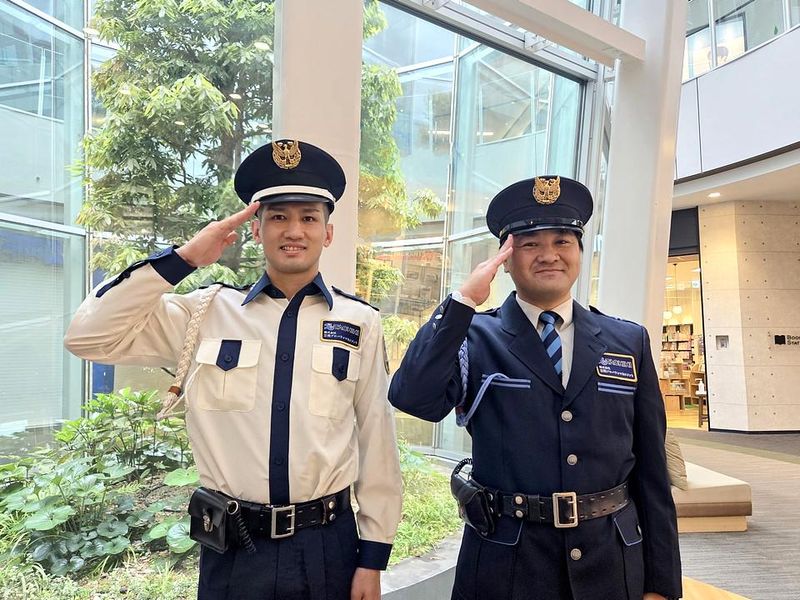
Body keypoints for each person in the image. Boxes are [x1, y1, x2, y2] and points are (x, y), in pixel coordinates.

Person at [65, 139, 402, 600]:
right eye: (278, 217)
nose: (294, 231)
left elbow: (376, 438)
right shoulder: (203, 314)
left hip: (328, 546)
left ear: (327, 233)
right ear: (256, 230)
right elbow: (87, 336)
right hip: (235, 549)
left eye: (309, 218)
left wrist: (373, 557)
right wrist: (184, 259)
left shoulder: (359, 322)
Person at [388, 175, 682, 600]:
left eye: (563, 241)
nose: (549, 255)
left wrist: (662, 584)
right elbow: (412, 398)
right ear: (506, 259)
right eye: (530, 244)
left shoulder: (627, 341)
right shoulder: (474, 336)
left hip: (611, 564)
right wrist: (461, 302)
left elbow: (652, 472)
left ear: (579, 251)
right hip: (505, 566)